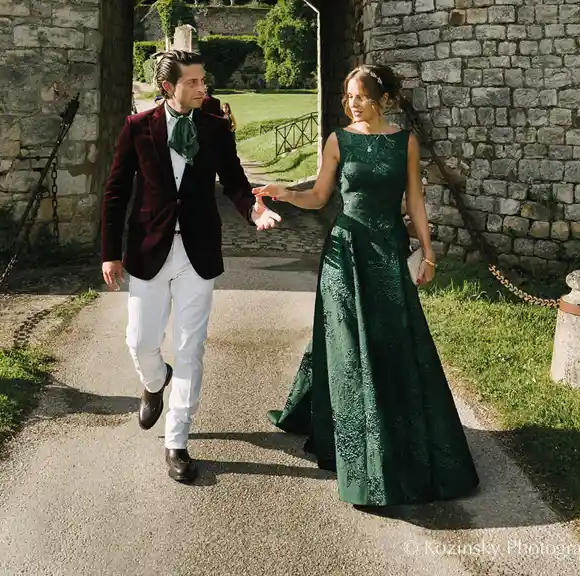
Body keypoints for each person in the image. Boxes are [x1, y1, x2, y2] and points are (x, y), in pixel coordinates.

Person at [253, 64, 480, 510]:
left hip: (387, 252)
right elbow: (320, 196)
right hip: (345, 251)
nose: (351, 103)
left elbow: (414, 197)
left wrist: (429, 252)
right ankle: (356, 449)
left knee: (393, 342)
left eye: (358, 96)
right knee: (347, 344)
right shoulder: (339, 140)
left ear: (382, 99)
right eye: (347, 96)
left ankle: (400, 435)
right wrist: (285, 192)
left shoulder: (405, 142)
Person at [101, 49, 281, 485]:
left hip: (198, 253)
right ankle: (153, 379)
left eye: (204, 81)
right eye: (195, 82)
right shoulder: (138, 128)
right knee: (140, 340)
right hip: (148, 250)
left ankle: (177, 440)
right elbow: (116, 191)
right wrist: (110, 251)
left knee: (191, 347)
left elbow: (236, 182)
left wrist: (255, 212)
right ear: (169, 87)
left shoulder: (216, 129)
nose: (204, 88)